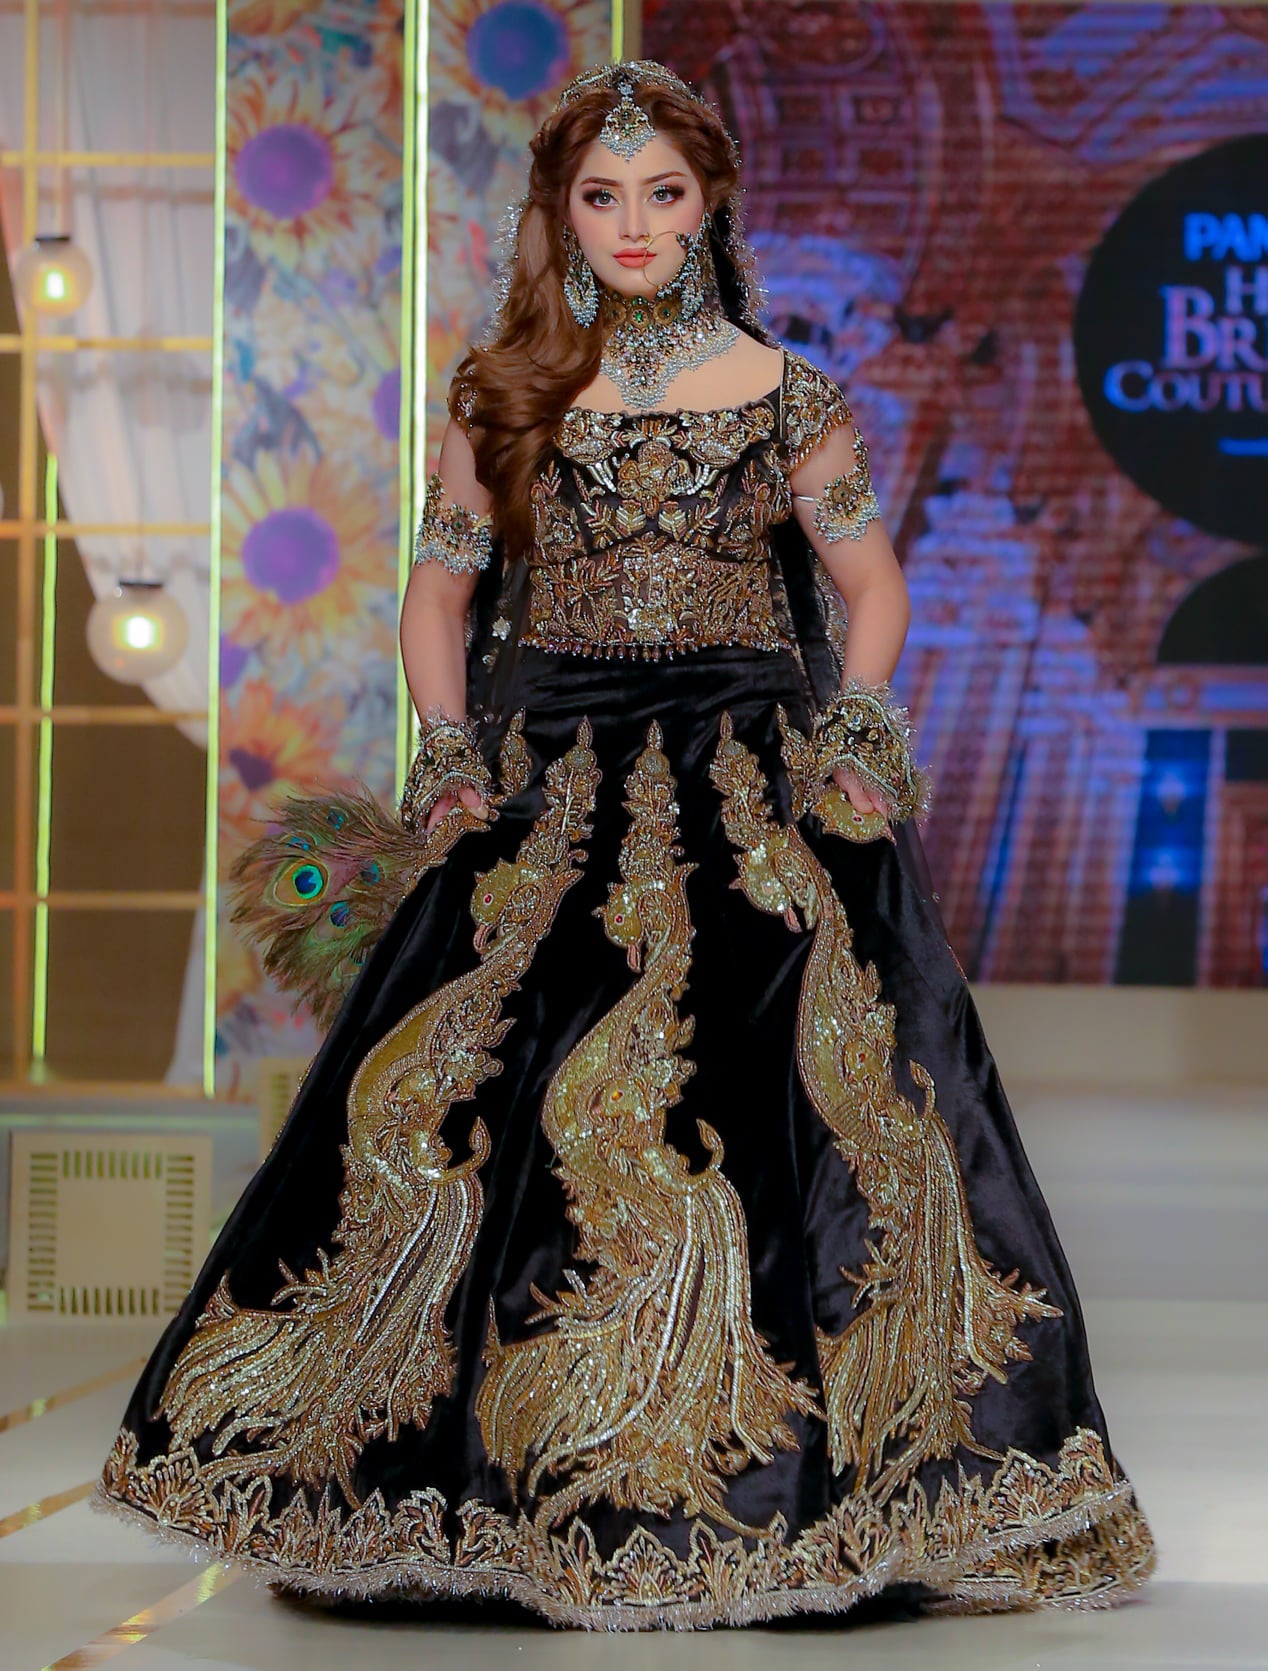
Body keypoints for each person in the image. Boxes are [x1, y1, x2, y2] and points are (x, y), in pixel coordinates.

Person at [93, 59, 1155, 1630]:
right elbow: (440, 596)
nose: (635, 224)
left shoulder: (791, 397)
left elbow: (872, 587)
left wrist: (856, 737)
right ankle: (489, 1493)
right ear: (563, 211)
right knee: (481, 1118)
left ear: (712, 204)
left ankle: (789, 1491)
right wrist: (449, 754)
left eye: (664, 194)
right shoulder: (504, 392)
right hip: (547, 792)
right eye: (604, 197)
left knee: (802, 1122)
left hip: (754, 792)